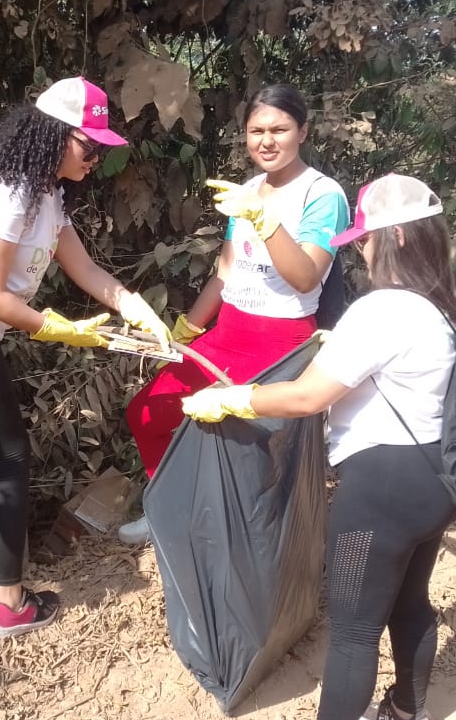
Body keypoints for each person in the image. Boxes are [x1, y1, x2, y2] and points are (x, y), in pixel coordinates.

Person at [181, 174, 456, 720]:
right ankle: (408, 716)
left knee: (353, 631)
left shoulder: (383, 309)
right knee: (411, 601)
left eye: (364, 239)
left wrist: (234, 398)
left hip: (381, 490)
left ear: (396, 237)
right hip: (437, 481)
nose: (360, 251)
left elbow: (308, 397)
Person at [0, 76, 171, 637]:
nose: (95, 158)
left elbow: (84, 268)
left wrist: (133, 305)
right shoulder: (12, 193)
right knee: (11, 454)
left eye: (100, 148)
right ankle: (10, 606)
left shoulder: (47, 196)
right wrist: (59, 330)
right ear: (52, 135)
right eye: (87, 145)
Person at [118, 84, 348, 544]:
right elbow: (226, 271)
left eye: (279, 129)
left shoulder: (323, 195)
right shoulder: (246, 191)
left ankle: (244, 539)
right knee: (148, 412)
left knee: (245, 443)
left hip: (282, 340)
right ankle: (172, 509)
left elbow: (306, 278)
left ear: (302, 132)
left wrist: (265, 220)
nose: (267, 140)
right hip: (228, 331)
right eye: (256, 131)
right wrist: (188, 328)